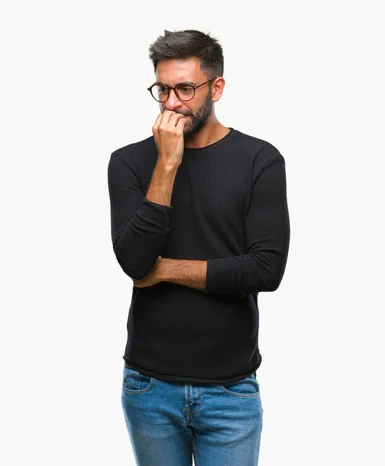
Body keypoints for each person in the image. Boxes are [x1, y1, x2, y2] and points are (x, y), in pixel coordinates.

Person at [107, 29, 290, 466]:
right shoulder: (129, 162)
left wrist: (166, 270)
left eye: (185, 89)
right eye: (163, 90)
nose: (172, 103)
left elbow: (266, 270)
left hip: (230, 389)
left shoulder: (260, 161)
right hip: (149, 387)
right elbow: (134, 261)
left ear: (217, 88)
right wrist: (168, 163)